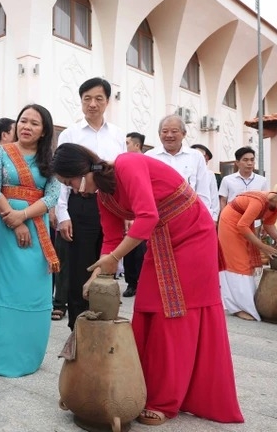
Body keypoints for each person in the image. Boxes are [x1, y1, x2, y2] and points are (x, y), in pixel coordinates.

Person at [52, 143, 244, 426]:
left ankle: (165, 401)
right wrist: (96, 274)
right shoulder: (104, 196)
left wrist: (114, 258)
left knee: (175, 317)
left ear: (82, 171)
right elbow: (111, 239)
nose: (76, 190)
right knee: (147, 309)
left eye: (71, 182)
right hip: (162, 242)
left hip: (193, 235)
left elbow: (147, 216)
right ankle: (140, 387)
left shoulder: (127, 164)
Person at [0, 103, 60, 377]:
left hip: (36, 228)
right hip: (4, 232)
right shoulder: (0, 152)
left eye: (34, 123)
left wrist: (24, 216)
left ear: (44, 131)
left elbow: (52, 196)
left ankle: (26, 356)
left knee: (31, 291)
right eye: (23, 121)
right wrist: (12, 217)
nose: (26, 126)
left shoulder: (50, 161)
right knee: (1, 288)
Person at [55, 77, 126, 329]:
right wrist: (63, 213)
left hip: (111, 206)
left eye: (98, 98)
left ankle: (103, 322)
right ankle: (78, 326)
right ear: (81, 101)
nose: (92, 104)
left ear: (107, 101)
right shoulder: (69, 134)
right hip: (81, 206)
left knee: (107, 262)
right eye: (87, 99)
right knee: (80, 267)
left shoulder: (118, 135)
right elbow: (62, 175)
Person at [218, 186, 277, 321]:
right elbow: (241, 226)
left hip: (243, 224)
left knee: (247, 264)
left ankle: (246, 304)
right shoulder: (259, 202)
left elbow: (268, 224)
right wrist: (263, 247)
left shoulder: (276, 204)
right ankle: (237, 307)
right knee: (238, 264)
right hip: (230, 223)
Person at [145, 115, 216, 220]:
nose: (169, 135)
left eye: (174, 131)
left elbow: (203, 192)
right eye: (164, 131)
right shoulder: (149, 156)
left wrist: (206, 217)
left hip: (189, 215)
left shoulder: (196, 156)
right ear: (159, 134)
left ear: (184, 134)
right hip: (158, 216)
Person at [121, 132, 148, 297]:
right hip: (127, 211)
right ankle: (131, 283)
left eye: (127, 143)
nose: (125, 147)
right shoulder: (124, 163)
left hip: (145, 211)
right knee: (129, 251)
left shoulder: (147, 162)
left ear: (137, 145)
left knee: (142, 251)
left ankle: (143, 283)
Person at [219, 146, 269, 215]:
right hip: (232, 220)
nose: (249, 163)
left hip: (254, 221)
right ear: (237, 162)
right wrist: (223, 217)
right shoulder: (227, 180)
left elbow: (265, 201)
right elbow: (223, 200)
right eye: (245, 160)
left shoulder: (262, 180)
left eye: (252, 160)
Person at [191, 143, 220, 221]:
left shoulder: (209, 174)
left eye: (202, 156)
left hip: (205, 215)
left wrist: (214, 218)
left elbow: (214, 198)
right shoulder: (185, 171)